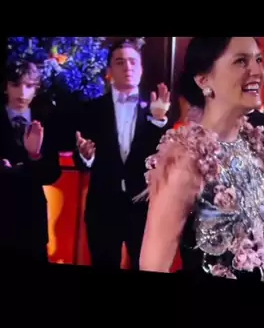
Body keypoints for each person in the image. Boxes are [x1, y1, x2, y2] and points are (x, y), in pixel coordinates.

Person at [139, 36, 264, 281]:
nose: (257, 71)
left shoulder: (247, 145)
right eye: (241, 61)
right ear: (204, 80)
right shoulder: (186, 157)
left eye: (258, 60)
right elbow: (153, 264)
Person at [74, 38, 171, 270]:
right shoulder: (91, 109)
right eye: (120, 62)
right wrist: (86, 156)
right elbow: (81, 159)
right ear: (109, 71)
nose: (127, 67)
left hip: (144, 208)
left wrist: (159, 122)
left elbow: (166, 157)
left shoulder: (159, 107)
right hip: (103, 208)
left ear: (141, 69)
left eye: (132, 62)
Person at [0, 60, 61, 262]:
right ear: (6, 87)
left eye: (28, 86)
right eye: (15, 85)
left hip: (31, 220)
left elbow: (52, 174)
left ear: (36, 89)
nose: (22, 92)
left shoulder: (47, 120)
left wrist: (35, 155)